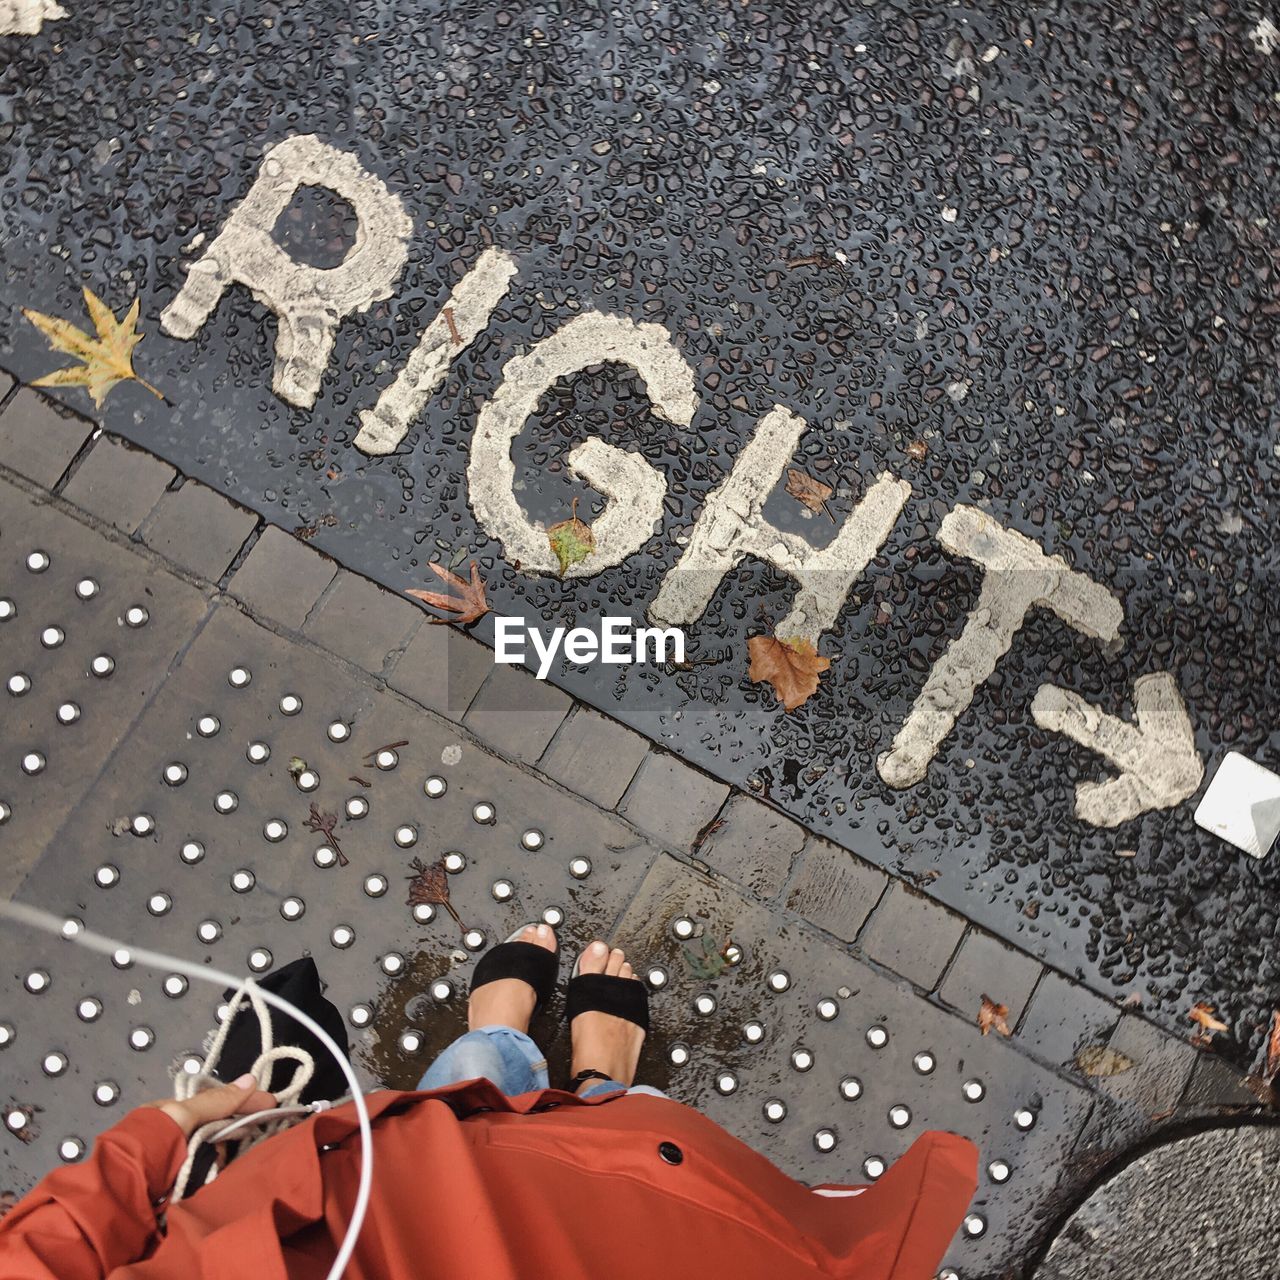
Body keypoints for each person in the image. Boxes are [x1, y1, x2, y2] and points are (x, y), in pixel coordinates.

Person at [0, 927, 978, 1278]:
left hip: (330, 1231)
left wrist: (149, 1144)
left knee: (445, 1135)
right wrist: (151, 1143)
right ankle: (588, 1079)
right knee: (550, 1167)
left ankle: (525, 1058)